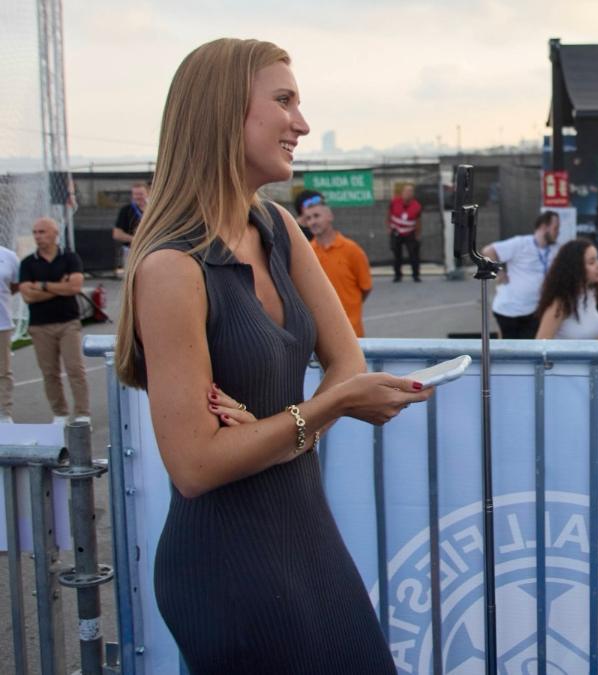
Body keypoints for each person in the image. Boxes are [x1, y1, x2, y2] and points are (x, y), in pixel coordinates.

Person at [113, 38, 432, 674]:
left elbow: (347, 358)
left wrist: (279, 426)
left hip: (307, 538)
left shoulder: (278, 228)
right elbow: (197, 465)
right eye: (283, 101)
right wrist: (326, 406)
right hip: (228, 566)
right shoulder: (172, 268)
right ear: (224, 113)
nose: (302, 124)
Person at [18, 218, 89, 424]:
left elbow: (75, 287)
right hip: (40, 325)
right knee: (50, 373)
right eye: (35, 232)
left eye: (42, 232)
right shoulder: (28, 263)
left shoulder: (70, 258)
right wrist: (58, 287)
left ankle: (83, 413)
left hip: (68, 322)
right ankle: (60, 413)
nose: (38, 236)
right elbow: (27, 296)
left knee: (75, 369)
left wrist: (40, 285)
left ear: (54, 233)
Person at [300, 191, 372, 337]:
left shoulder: (352, 250)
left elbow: (366, 288)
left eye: (316, 216)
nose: (312, 221)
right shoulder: (305, 253)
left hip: (352, 333)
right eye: (308, 218)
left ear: (330, 217)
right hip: (322, 336)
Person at [482, 211, 561, 339]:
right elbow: (488, 251)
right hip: (510, 309)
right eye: (555, 228)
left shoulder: (554, 249)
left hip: (535, 308)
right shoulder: (521, 243)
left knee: (529, 348)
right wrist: (499, 272)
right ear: (543, 227)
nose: (558, 232)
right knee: (509, 350)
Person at [534, 239, 598, 339]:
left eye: (597, 260)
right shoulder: (560, 303)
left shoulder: (589, 294)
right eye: (591, 262)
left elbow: (594, 334)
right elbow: (541, 344)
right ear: (576, 269)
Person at [388, 183, 422, 282]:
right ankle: (398, 275)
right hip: (396, 231)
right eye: (406, 191)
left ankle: (416, 275)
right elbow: (388, 215)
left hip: (410, 232)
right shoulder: (394, 202)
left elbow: (418, 221)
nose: (408, 193)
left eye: (411, 191)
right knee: (397, 254)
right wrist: (389, 228)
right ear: (402, 193)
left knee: (414, 255)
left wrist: (417, 234)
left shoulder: (417, 205)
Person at [0, 242, 19, 424]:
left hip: (2, 323)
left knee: (3, 371)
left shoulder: (8, 256)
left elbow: (15, 284)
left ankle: (4, 413)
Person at [112, 181, 149, 263]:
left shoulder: (154, 210)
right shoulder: (126, 210)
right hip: (132, 251)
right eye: (135, 194)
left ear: (148, 193)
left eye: (140, 194)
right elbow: (116, 234)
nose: (138, 197)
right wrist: (136, 239)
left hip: (151, 250)